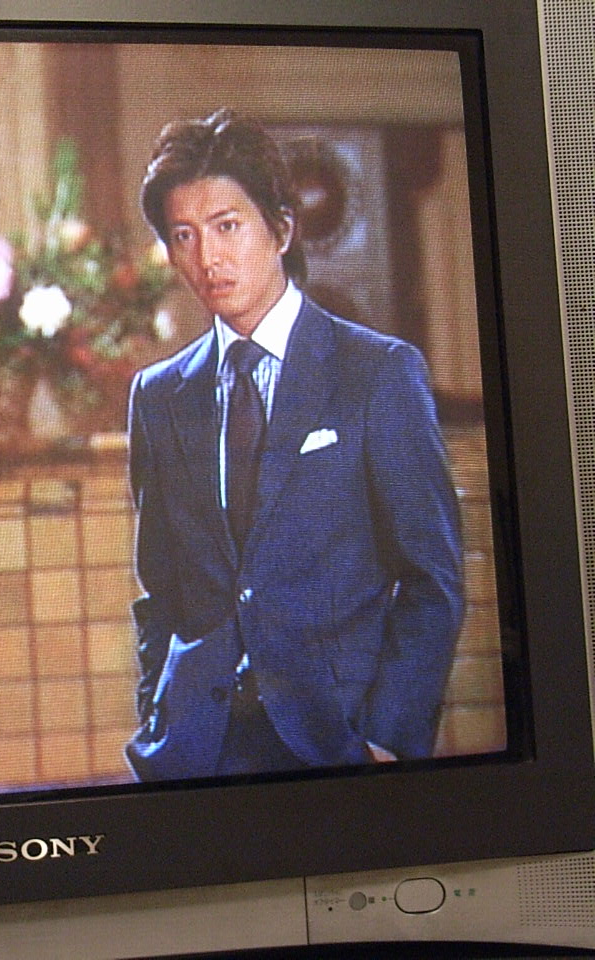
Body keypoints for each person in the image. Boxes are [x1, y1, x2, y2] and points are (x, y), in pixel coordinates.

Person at [124, 109, 463, 780]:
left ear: (281, 229)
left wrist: (387, 738)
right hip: (199, 750)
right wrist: (158, 717)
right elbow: (159, 587)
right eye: (184, 235)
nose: (207, 258)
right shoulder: (159, 396)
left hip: (338, 743)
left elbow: (433, 579)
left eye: (227, 226)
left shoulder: (377, 373)